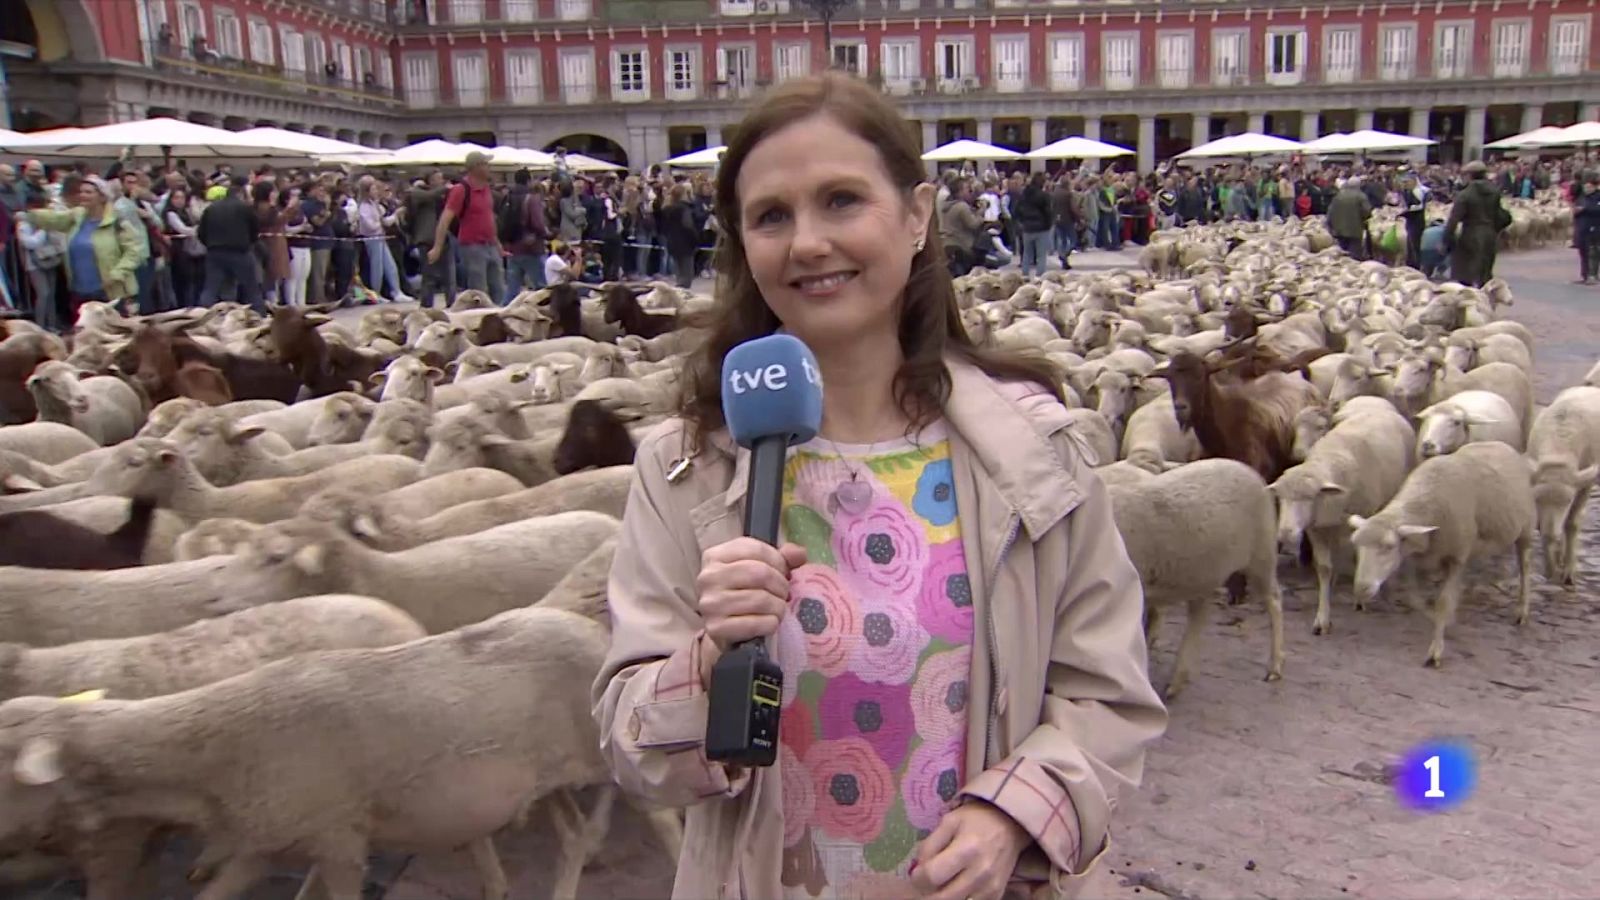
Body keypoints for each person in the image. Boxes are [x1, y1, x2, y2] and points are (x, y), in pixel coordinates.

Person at [593, 71, 1166, 900]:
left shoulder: (1040, 455)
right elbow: (630, 743)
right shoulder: (687, 471)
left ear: (918, 215)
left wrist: (1015, 816)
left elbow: (1107, 693)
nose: (808, 243)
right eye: (772, 217)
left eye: (841, 201)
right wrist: (709, 657)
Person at [19, 175, 148, 315]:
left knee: (113, 333)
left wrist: (118, 272)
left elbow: (135, 251)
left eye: (88, 192)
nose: (82, 195)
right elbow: (55, 219)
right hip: (79, 291)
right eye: (81, 192)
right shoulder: (77, 215)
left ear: (102, 196)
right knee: (86, 334)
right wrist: (29, 215)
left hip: (110, 291)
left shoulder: (117, 220)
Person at [431, 150, 505, 303]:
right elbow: (445, 219)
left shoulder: (486, 189)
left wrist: (498, 245)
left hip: (490, 245)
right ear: (476, 167)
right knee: (479, 292)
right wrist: (437, 247)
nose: (489, 168)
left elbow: (489, 218)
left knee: (498, 288)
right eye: (486, 164)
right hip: (472, 246)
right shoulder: (461, 190)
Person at [197, 176, 263, 311]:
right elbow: (255, 229)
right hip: (240, 252)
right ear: (240, 194)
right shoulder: (245, 208)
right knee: (251, 289)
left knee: (211, 288)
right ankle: (259, 316)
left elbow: (201, 232)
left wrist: (210, 245)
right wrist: (250, 243)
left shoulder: (211, 209)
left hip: (215, 252)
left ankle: (202, 316)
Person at [1444, 160, 1511, 288]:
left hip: (1470, 235)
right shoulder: (1495, 192)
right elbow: (1499, 215)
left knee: (1465, 274)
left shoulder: (1465, 195)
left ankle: (1469, 302)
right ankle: (1484, 301)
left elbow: (1454, 219)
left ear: (1470, 175)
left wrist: (1447, 239)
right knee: (1485, 273)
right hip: (1490, 235)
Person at [1325, 176, 1372, 259]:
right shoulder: (1361, 196)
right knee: (1354, 256)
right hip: (1355, 230)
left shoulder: (1338, 195)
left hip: (1339, 230)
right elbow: (1367, 212)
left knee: (1341, 254)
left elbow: (1330, 212)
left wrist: (1330, 226)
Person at [1574, 173, 1600, 286]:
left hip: (1594, 227)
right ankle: (1584, 275)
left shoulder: (1598, 197)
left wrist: (1584, 209)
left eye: (1589, 187)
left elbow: (1597, 209)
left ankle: (1592, 275)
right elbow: (1576, 209)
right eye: (1585, 187)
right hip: (1581, 228)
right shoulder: (1581, 197)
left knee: (1593, 252)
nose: (1586, 189)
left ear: (1594, 187)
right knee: (1583, 251)